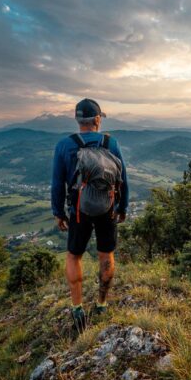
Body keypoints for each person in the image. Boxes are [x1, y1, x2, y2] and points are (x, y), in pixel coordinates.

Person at [51, 98, 128, 333]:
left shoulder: (64, 145)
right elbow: (122, 178)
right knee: (106, 255)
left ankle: (77, 309)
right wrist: (122, 208)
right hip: (107, 208)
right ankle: (102, 304)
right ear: (97, 119)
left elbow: (57, 183)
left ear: (77, 120)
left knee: (74, 256)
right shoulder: (111, 143)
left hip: (78, 211)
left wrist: (58, 212)